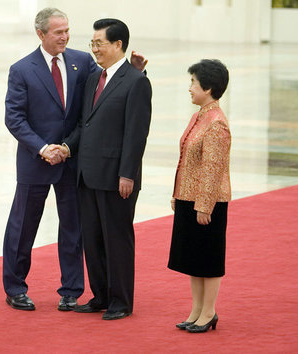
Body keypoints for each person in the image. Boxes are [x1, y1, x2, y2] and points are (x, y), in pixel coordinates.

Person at [3, 8, 147, 311]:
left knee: (74, 228)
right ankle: (15, 287)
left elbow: (113, 87)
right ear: (41, 34)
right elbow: (14, 119)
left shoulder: (82, 62)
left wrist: (136, 71)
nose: (65, 37)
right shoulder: (21, 69)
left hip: (73, 161)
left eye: (67, 30)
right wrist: (43, 149)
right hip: (35, 160)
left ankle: (71, 289)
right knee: (23, 227)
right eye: (58, 32)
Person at [59, 18, 152, 320]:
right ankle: (100, 295)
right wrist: (68, 147)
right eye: (93, 43)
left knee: (117, 239)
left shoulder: (136, 81)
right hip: (87, 174)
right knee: (93, 237)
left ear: (118, 45)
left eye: (99, 43)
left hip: (116, 177)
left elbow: (136, 133)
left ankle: (121, 301)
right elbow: (84, 124)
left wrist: (128, 173)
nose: (95, 48)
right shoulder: (93, 80)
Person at [167, 59, 231, 333]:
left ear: (209, 87)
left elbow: (213, 169)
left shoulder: (216, 123)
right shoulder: (199, 116)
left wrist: (204, 206)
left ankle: (209, 312)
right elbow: (187, 160)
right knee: (192, 257)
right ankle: (196, 309)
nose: (190, 88)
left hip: (207, 202)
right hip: (188, 198)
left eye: (193, 82)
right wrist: (178, 194)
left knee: (208, 258)